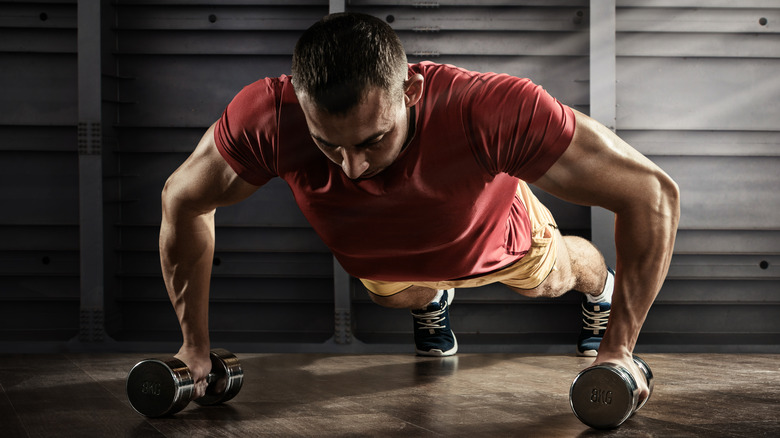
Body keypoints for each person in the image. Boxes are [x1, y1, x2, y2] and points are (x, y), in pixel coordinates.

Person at [159, 13, 679, 403]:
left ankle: (601, 291)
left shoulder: (489, 109)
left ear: (412, 90)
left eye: (372, 140)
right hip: (384, 261)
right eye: (328, 145)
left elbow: (651, 193)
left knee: (554, 276)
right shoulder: (268, 117)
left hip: (498, 238)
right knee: (400, 296)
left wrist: (619, 349)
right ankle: (433, 303)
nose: (352, 169)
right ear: (299, 99)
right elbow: (183, 200)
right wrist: (193, 346)